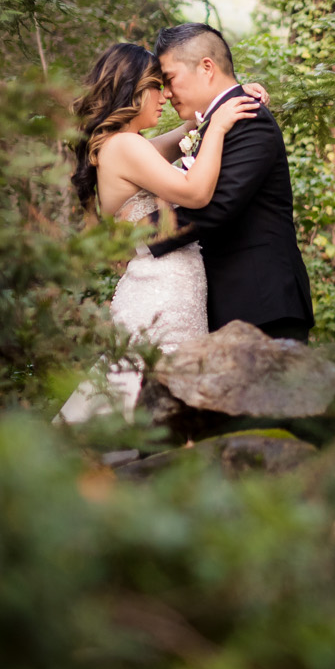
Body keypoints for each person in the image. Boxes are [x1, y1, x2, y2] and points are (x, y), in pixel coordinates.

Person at [55, 41, 261, 423]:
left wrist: (227, 98)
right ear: (132, 89)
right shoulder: (126, 146)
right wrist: (218, 127)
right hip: (162, 293)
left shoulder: (124, 146)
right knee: (146, 396)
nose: (165, 95)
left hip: (164, 286)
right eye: (156, 85)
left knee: (152, 396)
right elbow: (196, 193)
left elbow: (183, 132)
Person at [147, 22, 316, 341]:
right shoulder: (216, 121)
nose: (166, 93)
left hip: (262, 307)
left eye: (169, 79)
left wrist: (140, 234)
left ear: (206, 67)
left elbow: (217, 207)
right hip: (237, 306)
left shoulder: (249, 118)